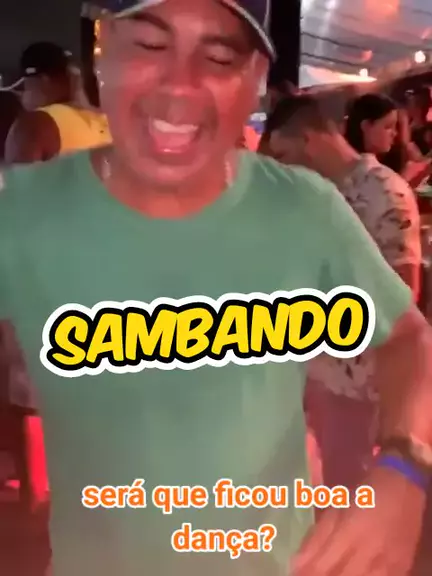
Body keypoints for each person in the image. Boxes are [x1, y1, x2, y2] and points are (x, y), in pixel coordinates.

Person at [0, 2, 432, 576]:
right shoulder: (23, 211)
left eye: (220, 57)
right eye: (151, 45)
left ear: (255, 80)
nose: (180, 83)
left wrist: (405, 465)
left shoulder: (304, 206)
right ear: (104, 55)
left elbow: (407, 335)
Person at [259, 94, 422, 490]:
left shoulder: (383, 190)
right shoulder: (319, 194)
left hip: (360, 385)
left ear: (309, 140)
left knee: (350, 495)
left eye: (283, 155)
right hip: (324, 377)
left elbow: (405, 292)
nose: (281, 167)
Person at [5, 42, 111, 163]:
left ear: (42, 81)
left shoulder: (31, 127)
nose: (24, 91)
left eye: (26, 85)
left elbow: (18, 175)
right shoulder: (109, 123)